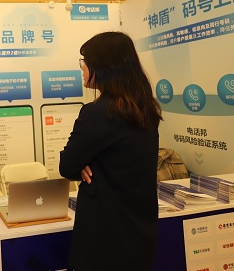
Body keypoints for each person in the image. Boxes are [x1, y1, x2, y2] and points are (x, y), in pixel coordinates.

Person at [59, 31, 162, 271]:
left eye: (85, 61)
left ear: (103, 66)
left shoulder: (98, 113)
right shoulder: (145, 108)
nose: (82, 68)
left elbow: (67, 166)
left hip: (104, 236)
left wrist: (84, 164)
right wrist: (86, 163)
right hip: (140, 233)